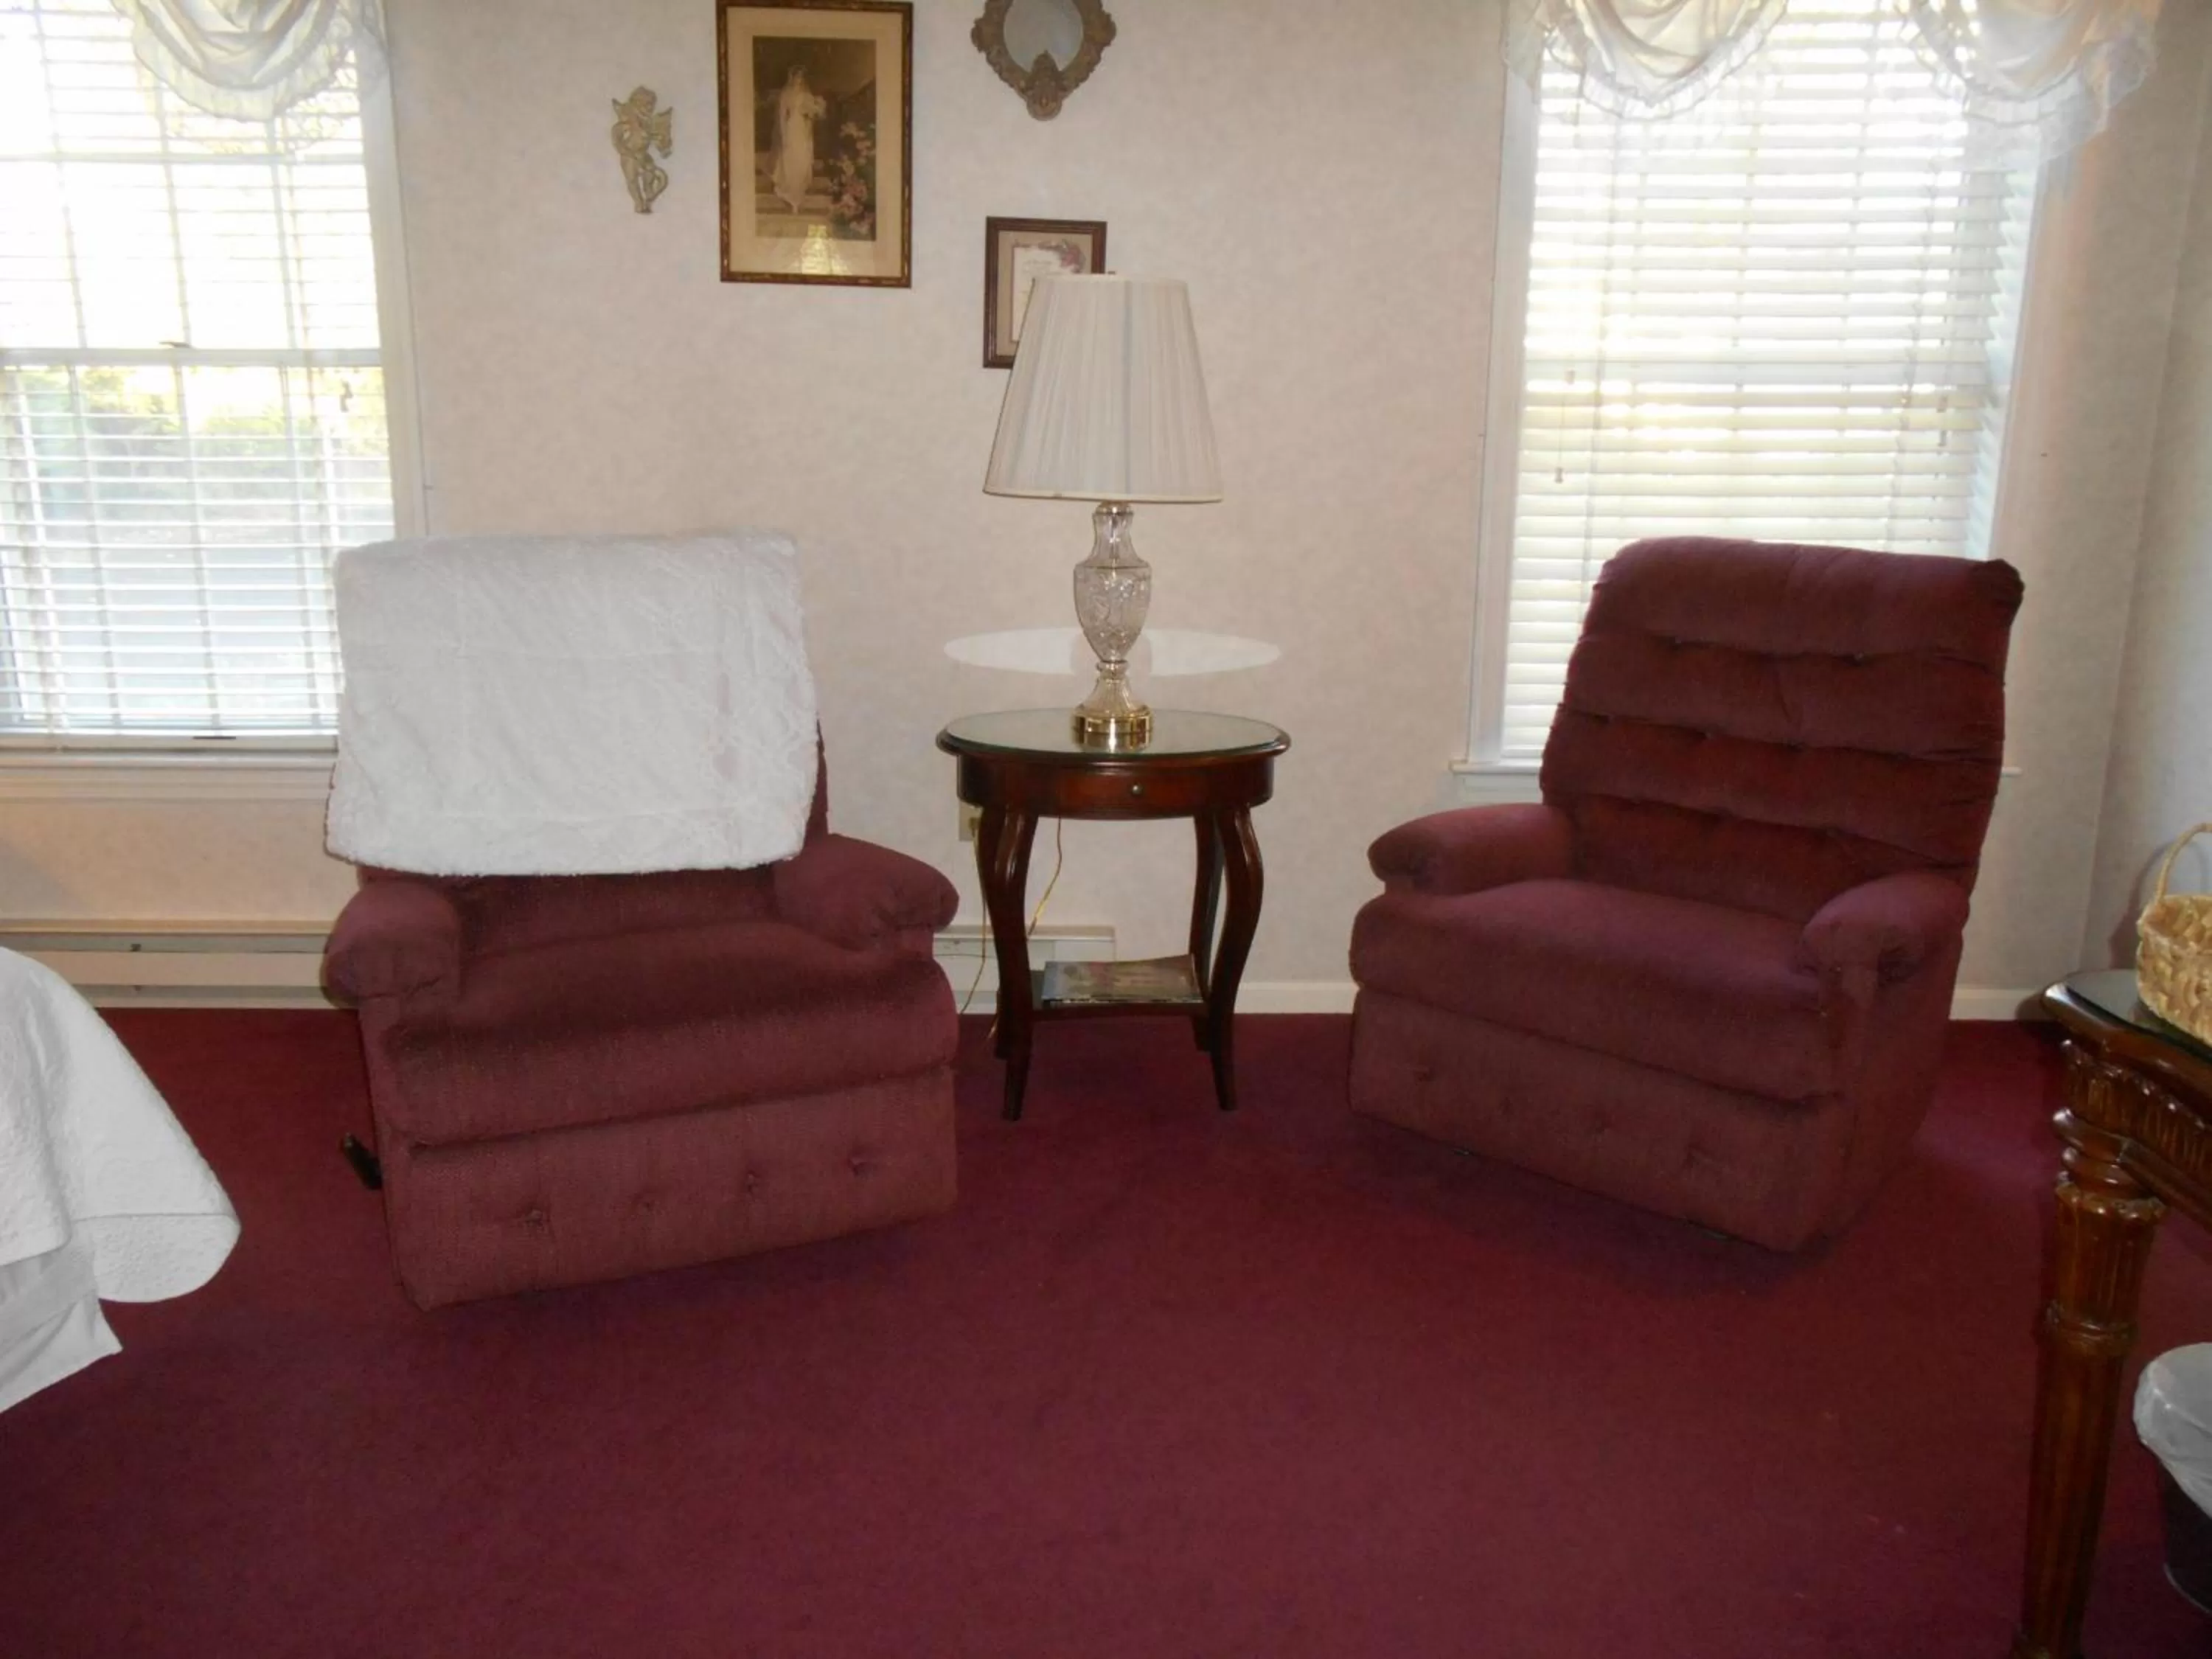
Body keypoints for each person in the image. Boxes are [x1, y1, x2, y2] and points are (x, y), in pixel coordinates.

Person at [765, 63, 827, 216]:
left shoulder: (807, 95)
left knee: (803, 161)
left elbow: (814, 113)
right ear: (792, 78)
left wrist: (815, 111)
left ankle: (799, 197)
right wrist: (784, 135)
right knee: (791, 161)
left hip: (804, 131)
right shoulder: (786, 94)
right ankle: (792, 199)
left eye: (801, 78)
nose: (799, 81)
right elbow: (781, 116)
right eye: (797, 77)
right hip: (791, 128)